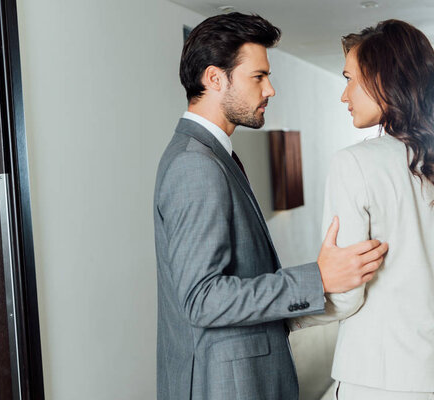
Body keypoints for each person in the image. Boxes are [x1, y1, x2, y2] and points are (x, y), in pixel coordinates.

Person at [153, 12, 388, 400]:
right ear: (215, 79)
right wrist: (319, 278)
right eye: (258, 77)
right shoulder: (194, 164)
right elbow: (202, 299)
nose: (270, 90)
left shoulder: (211, 156)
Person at [293, 19, 434, 400]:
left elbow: (348, 294)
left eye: (349, 78)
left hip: (377, 379)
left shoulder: (353, 164)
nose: (343, 95)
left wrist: (281, 315)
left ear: (382, 80)